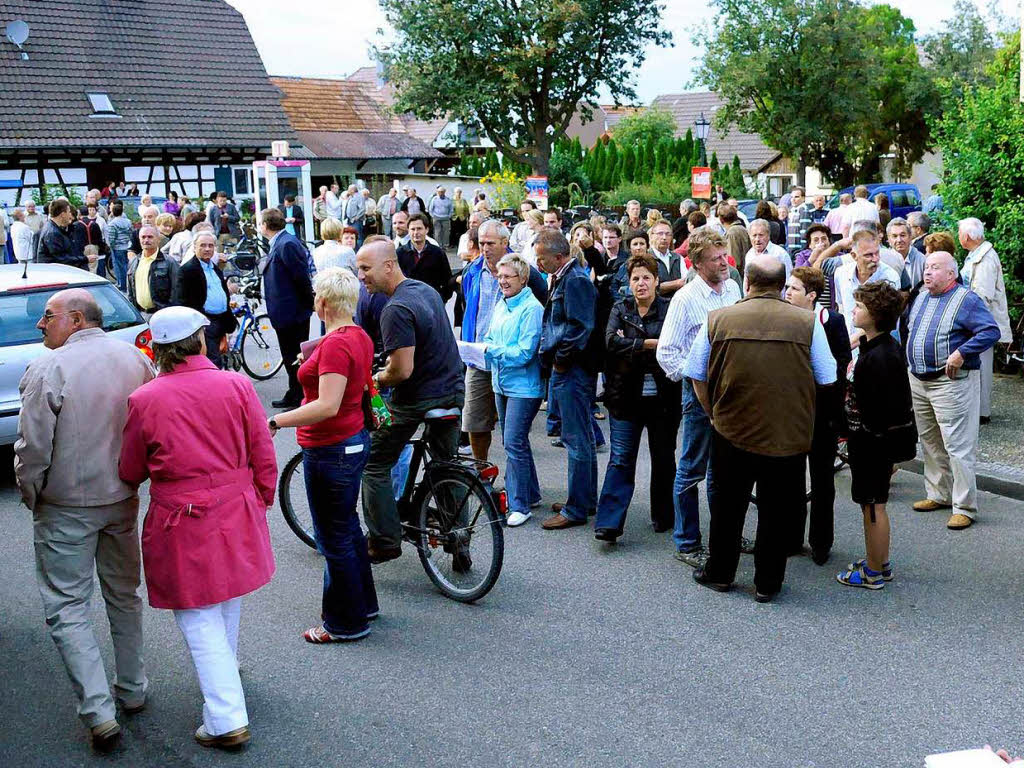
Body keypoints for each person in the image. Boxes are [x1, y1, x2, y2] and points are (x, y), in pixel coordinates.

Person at [119, 306, 276, 750]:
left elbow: (130, 468)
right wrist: (261, 496)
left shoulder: (145, 400)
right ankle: (225, 678)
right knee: (223, 597)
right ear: (201, 341)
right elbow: (262, 451)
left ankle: (226, 718)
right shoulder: (237, 384)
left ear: (159, 349)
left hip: (181, 513)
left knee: (197, 614)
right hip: (235, 502)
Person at [14, 288, 155, 750]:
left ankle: (98, 711)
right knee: (124, 594)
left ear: (75, 320)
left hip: (67, 505)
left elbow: (32, 447)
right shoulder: (134, 360)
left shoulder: (48, 368)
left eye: (48, 316)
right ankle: (132, 689)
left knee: (68, 606)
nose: (41, 324)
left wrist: (32, 492)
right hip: (121, 497)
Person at [685, 253, 837, 602]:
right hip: (786, 434)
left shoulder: (719, 319)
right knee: (776, 511)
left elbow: (695, 373)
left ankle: (721, 572)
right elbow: (827, 377)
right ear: (783, 288)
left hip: (730, 429)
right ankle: (767, 583)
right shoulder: (807, 322)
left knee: (727, 507)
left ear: (748, 284)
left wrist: (713, 412)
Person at [268, 268, 378, 641]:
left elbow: (327, 405)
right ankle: (363, 604)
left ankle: (344, 622)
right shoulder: (357, 335)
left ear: (324, 303)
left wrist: (276, 421)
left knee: (334, 537)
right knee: (348, 528)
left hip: (331, 446)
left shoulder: (334, 345)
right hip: (353, 439)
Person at [357, 238, 465, 561]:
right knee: (447, 466)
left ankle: (384, 540)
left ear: (388, 265)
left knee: (373, 464)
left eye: (365, 268)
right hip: (453, 390)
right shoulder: (426, 291)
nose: (361, 276)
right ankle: (458, 538)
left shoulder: (395, 310)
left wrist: (375, 378)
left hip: (420, 398)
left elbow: (402, 371)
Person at [656, 227, 742, 565]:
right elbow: (666, 353)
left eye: (724, 256)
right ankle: (687, 541)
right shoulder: (686, 298)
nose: (723, 262)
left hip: (732, 391)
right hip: (699, 394)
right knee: (692, 468)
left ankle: (724, 533)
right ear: (697, 263)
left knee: (725, 469)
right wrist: (693, 378)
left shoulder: (733, 287)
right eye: (716, 258)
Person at [906, 251, 1000, 530]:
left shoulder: (966, 299)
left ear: (951, 273)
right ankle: (939, 493)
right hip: (919, 380)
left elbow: (989, 331)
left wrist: (961, 353)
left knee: (958, 446)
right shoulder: (921, 296)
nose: (927, 272)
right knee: (930, 441)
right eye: (926, 267)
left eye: (935, 268)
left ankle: (964, 507)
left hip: (951, 382)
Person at [594, 254, 681, 541]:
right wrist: (647, 343)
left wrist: (629, 344)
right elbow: (609, 342)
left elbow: (672, 344)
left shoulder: (670, 309)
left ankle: (664, 516)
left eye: (646, 278)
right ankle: (608, 523)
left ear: (657, 281)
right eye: (635, 279)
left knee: (664, 458)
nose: (641, 283)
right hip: (624, 398)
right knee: (620, 459)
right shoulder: (621, 308)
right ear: (628, 284)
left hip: (663, 399)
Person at [836, 282, 914, 590]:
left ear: (876, 315)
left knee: (873, 505)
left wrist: (866, 436)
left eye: (860, 306)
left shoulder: (882, 355)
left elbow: (882, 409)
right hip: (865, 440)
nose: (853, 310)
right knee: (871, 503)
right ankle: (877, 560)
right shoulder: (872, 346)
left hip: (871, 444)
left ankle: (873, 571)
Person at [784, 267, 852, 564]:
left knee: (823, 480)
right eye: (786, 287)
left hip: (822, 413)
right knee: (792, 478)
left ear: (811, 296)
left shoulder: (832, 321)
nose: (787, 293)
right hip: (793, 413)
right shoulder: (784, 319)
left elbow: (841, 365)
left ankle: (821, 542)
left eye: (794, 289)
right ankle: (792, 537)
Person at [537, 229, 601, 530]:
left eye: (542, 257)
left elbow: (580, 327)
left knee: (576, 439)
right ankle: (584, 499)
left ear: (559, 256)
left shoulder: (574, 280)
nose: (539, 263)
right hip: (572, 369)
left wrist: (561, 362)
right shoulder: (568, 276)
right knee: (582, 437)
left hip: (573, 371)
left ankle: (577, 508)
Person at [482, 253, 545, 526]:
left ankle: (519, 504)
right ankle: (530, 493)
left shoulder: (532, 308)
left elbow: (525, 353)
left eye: (508, 276)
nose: (503, 281)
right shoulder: (502, 303)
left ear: (523, 279)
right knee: (516, 441)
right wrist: (483, 348)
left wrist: (491, 351)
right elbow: (490, 336)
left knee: (513, 442)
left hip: (524, 387)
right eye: (500, 276)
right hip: (501, 382)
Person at [958, 218, 1012, 424]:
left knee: (982, 365)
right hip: (976, 320)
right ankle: (978, 409)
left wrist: (968, 319)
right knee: (977, 365)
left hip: (981, 322)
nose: (959, 235)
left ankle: (982, 411)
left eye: (961, 232)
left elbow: (983, 294)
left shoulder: (986, 258)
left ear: (968, 237)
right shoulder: (976, 254)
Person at [261, 208, 314, 409]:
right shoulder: (281, 242)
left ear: (265, 225)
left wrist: (308, 303)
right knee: (289, 355)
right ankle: (294, 392)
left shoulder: (287, 244)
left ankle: (299, 395)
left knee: (294, 356)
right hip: (286, 311)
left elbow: (301, 278)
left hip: (292, 312)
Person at [176, 231, 236, 367]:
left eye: (210, 245)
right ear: (194, 247)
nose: (207, 249)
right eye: (203, 245)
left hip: (222, 319)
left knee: (221, 356)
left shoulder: (214, 268)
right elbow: (182, 301)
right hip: (205, 322)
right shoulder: (187, 270)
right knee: (212, 361)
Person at [833, 229, 901, 335]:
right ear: (854, 256)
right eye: (868, 255)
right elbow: (841, 308)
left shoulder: (890, 277)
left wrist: (849, 345)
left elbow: (880, 322)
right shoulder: (841, 274)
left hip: (879, 346)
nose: (875, 259)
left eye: (877, 253)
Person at [396, 213, 453, 301]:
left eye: (419, 229)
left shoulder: (437, 253)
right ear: (408, 231)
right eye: (412, 229)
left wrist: (440, 300)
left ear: (426, 229)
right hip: (408, 303)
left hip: (432, 303)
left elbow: (447, 281)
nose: (416, 233)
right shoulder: (400, 253)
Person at [127, 225, 179, 316]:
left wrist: (169, 313)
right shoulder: (134, 262)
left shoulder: (169, 262)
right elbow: (130, 292)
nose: (146, 240)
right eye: (143, 237)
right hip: (140, 314)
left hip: (162, 315)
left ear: (158, 239)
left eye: (150, 237)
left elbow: (177, 291)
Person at [37, 198, 86, 269]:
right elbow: (61, 259)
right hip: (54, 272)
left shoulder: (53, 228)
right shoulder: (53, 233)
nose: (70, 215)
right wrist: (85, 259)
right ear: (63, 214)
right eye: (69, 212)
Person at [647, 219, 685, 297]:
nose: (664, 237)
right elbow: (649, 287)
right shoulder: (646, 258)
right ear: (652, 236)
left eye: (668, 234)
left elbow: (686, 283)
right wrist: (676, 284)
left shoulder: (678, 258)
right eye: (660, 233)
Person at [887, 217, 926, 289]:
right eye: (894, 236)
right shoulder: (883, 260)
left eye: (903, 235)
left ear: (910, 237)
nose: (899, 240)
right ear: (888, 239)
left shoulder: (922, 261)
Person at [105, 201, 134, 290]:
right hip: (127, 246)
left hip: (117, 248)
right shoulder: (128, 222)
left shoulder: (112, 224)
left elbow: (112, 238)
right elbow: (131, 233)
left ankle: (122, 285)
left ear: (113, 212)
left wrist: (111, 246)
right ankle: (129, 284)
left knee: (120, 267)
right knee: (127, 266)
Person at [719, 205, 752, 273]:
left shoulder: (732, 233)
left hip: (738, 275)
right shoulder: (743, 229)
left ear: (721, 219)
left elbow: (733, 260)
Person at [786, 186, 812, 256]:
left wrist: (803, 251)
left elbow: (804, 232)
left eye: (796, 197)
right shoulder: (792, 210)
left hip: (798, 250)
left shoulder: (803, 210)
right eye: (792, 197)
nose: (793, 199)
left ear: (803, 198)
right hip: (791, 249)